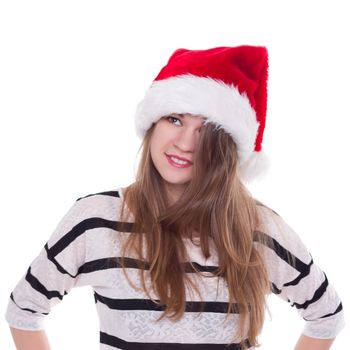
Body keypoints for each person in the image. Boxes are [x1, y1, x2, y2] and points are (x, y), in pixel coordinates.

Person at [5, 45, 345, 350]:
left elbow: (326, 315)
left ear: (226, 149)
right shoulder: (96, 220)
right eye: (175, 119)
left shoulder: (257, 228)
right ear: (153, 124)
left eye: (206, 131)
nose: (185, 143)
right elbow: (24, 310)